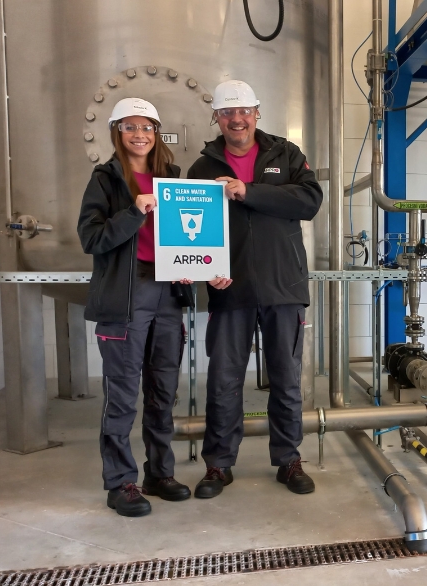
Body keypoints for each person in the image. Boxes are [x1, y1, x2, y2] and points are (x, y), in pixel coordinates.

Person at [77, 97, 231, 517]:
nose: (140, 134)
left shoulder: (172, 180)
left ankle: (159, 473)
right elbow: (91, 239)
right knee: (123, 396)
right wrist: (133, 211)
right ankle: (120, 482)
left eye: (147, 127)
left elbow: (189, 240)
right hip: (125, 299)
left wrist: (196, 267)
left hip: (167, 295)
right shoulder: (106, 180)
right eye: (130, 127)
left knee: (163, 392)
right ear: (117, 132)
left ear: (156, 133)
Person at [186, 80, 323, 498]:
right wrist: (205, 270)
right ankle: (219, 465)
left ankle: (288, 460)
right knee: (224, 379)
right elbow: (192, 233)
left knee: (286, 377)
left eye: (244, 111)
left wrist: (249, 191)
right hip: (230, 287)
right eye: (228, 112)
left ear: (257, 113)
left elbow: (309, 201)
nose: (237, 119)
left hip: (284, 284)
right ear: (216, 118)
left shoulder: (286, 154)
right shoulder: (202, 169)